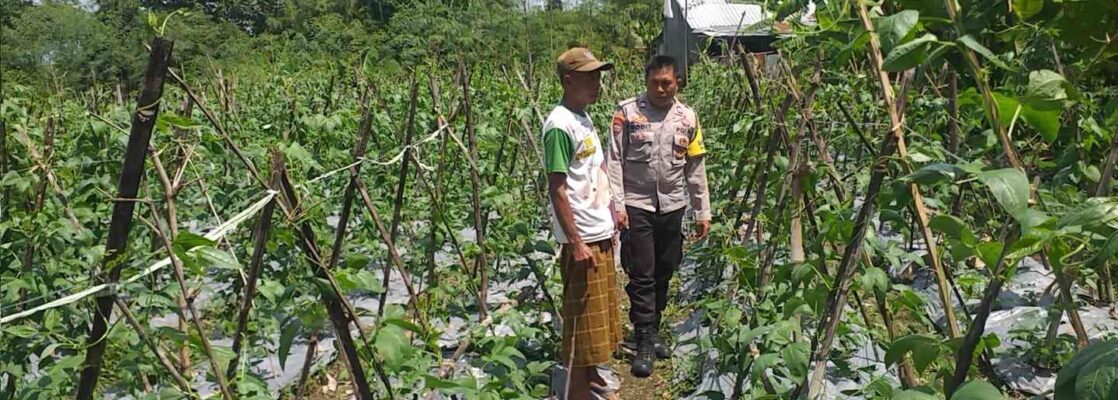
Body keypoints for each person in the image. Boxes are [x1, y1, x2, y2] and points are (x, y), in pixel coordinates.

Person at [607, 54, 711, 378]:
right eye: (655, 83)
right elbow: (613, 161)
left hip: (673, 205)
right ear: (646, 82)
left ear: (677, 82)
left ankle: (654, 327)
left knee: (666, 268)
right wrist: (618, 206)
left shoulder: (688, 118)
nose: (661, 89)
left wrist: (702, 211)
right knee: (642, 274)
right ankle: (644, 340)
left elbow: (695, 167)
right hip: (637, 204)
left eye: (667, 82)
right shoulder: (627, 114)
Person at [543, 47, 623, 400]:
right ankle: (575, 393)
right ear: (568, 80)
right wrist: (576, 242)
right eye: (590, 77)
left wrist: (614, 209)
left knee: (595, 321)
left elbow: (593, 173)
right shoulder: (560, 125)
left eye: (599, 76)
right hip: (584, 240)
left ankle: (591, 379)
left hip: (598, 230)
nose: (598, 83)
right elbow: (558, 188)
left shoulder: (582, 117)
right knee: (579, 329)